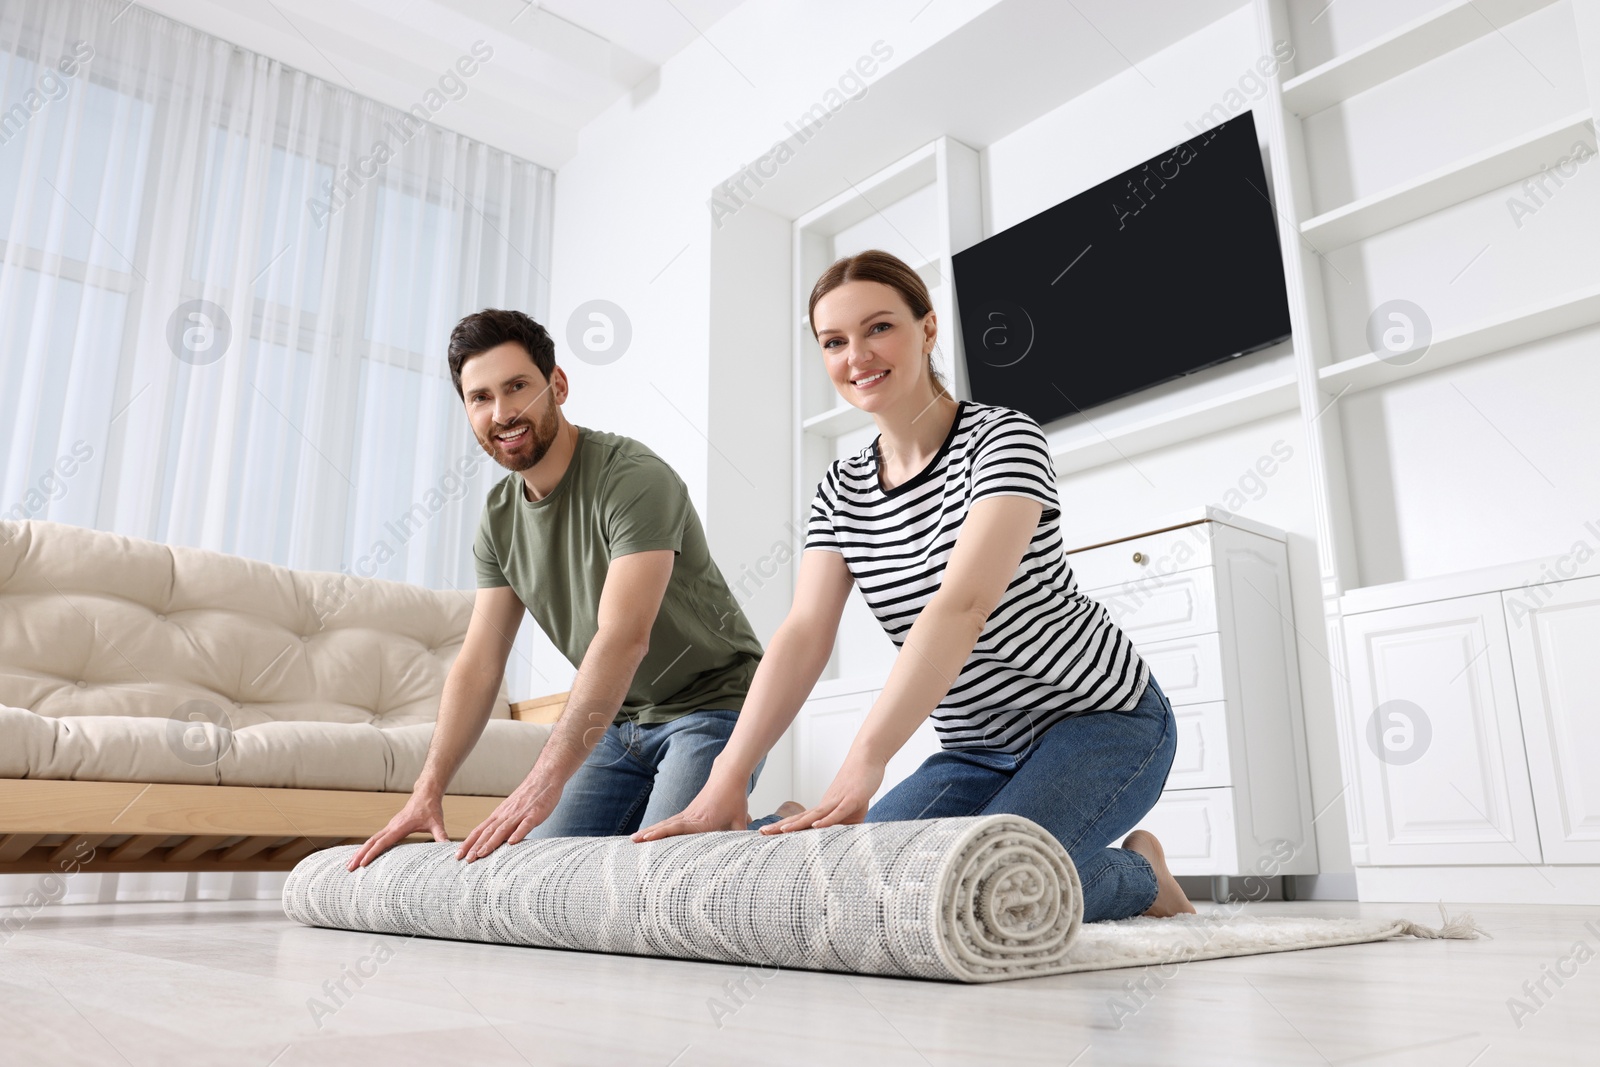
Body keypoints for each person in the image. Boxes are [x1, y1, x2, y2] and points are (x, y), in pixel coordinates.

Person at [634, 250, 1195, 922]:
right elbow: (804, 632)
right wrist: (723, 781)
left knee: (982, 889)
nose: (857, 355)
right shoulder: (840, 491)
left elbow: (961, 606)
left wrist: (865, 758)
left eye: (879, 328)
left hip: (1101, 720)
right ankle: (788, 819)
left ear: (928, 328)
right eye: (834, 342)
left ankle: (1143, 878)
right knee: (857, 882)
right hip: (976, 747)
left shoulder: (1003, 438)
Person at [349, 309, 765, 870]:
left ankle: (772, 826)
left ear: (558, 385)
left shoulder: (632, 478)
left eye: (517, 386)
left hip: (714, 705)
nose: (502, 413)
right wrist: (428, 789)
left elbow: (623, 639)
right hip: (619, 724)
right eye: (480, 398)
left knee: (661, 873)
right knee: (543, 875)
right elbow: (478, 663)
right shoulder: (499, 520)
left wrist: (543, 781)